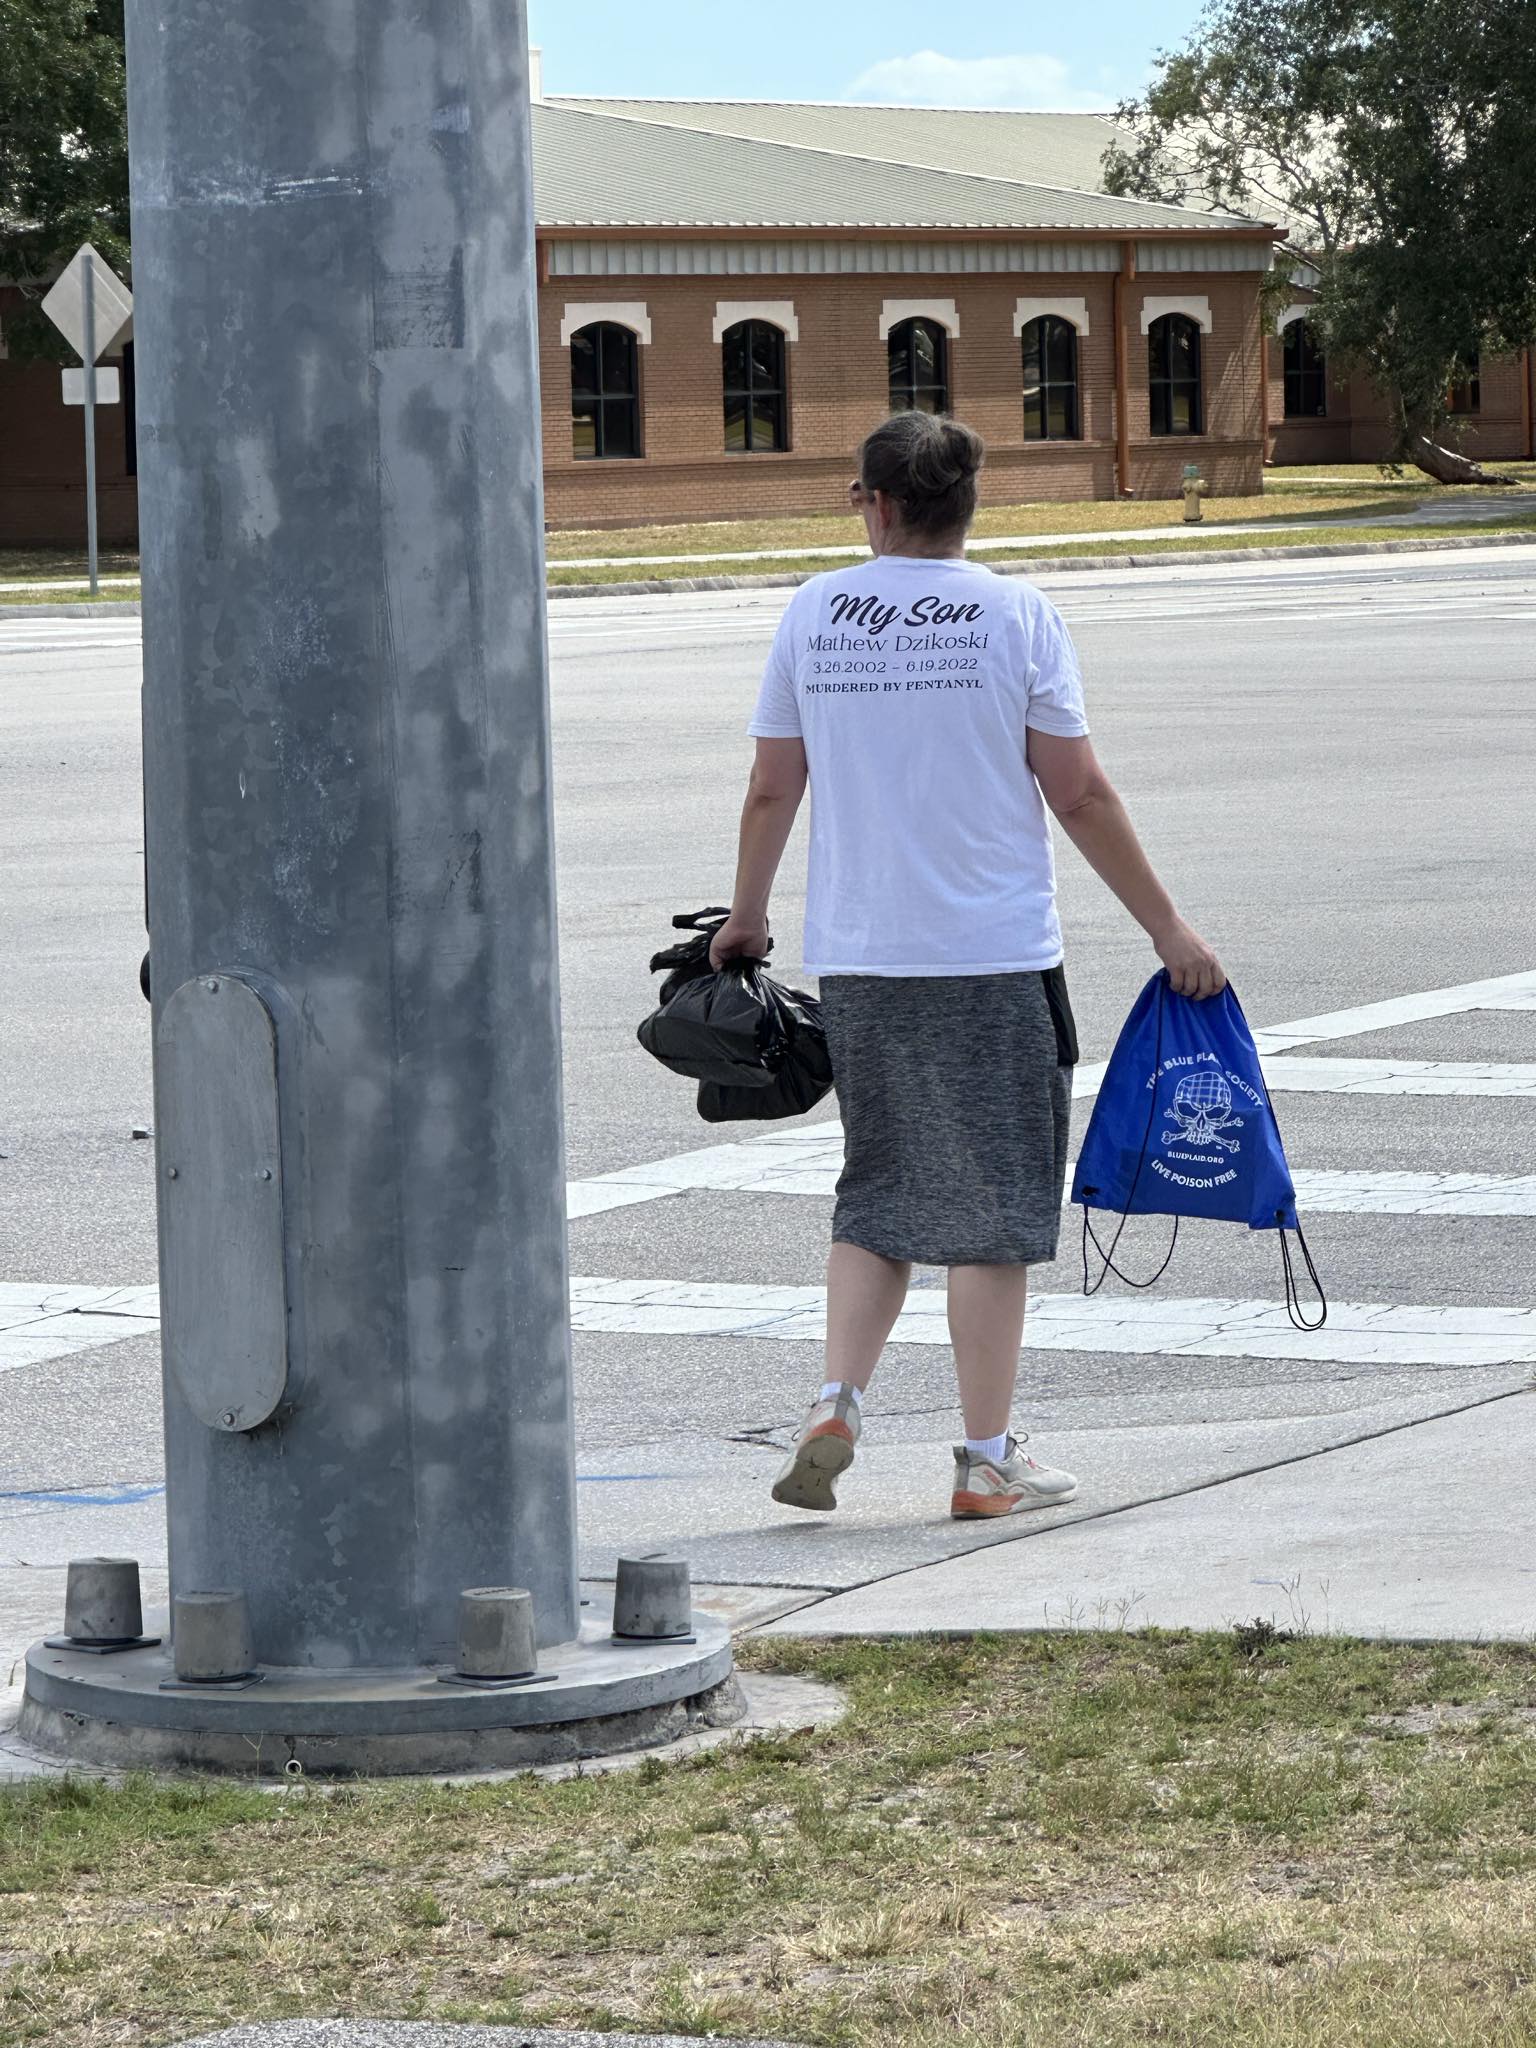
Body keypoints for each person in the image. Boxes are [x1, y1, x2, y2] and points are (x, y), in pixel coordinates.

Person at [710, 411, 1225, 1520]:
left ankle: (837, 1399)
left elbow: (770, 787)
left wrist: (747, 919)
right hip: (992, 955)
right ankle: (984, 1457)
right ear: (965, 504)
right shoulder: (1017, 614)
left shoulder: (813, 612)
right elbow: (1077, 792)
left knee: (878, 1189)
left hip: (863, 954)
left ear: (878, 503)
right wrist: (1168, 928)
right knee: (991, 1210)